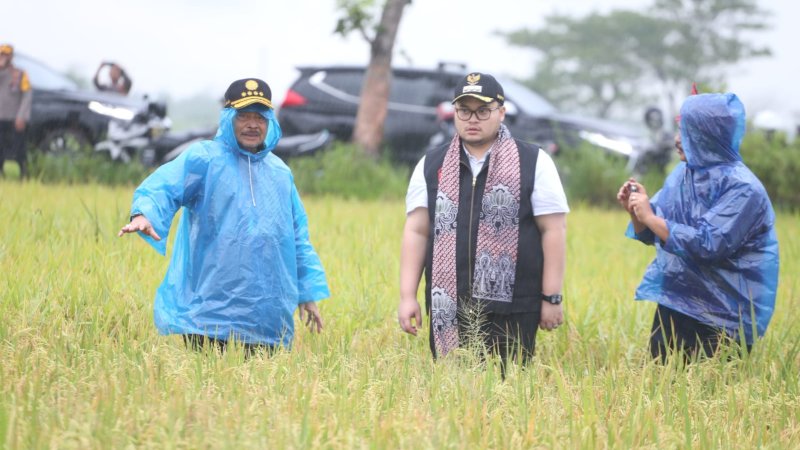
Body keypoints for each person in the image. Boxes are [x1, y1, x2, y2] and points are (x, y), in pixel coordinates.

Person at [118, 78, 329, 355]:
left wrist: (307, 292)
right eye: (244, 116)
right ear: (228, 117)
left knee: (261, 395)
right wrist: (144, 213)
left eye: (260, 117)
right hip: (208, 316)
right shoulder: (205, 159)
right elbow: (164, 186)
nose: (253, 124)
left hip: (266, 320)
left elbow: (297, 237)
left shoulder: (280, 174)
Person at [398, 72, 569, 367]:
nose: (472, 119)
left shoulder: (534, 161)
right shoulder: (431, 164)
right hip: (448, 305)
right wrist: (407, 295)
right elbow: (417, 231)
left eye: (482, 111)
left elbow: (553, 229)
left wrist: (551, 297)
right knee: (453, 392)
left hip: (515, 305)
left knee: (508, 392)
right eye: (464, 110)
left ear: (501, 112)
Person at [617, 93, 779, 362]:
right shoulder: (684, 175)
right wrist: (638, 212)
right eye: (680, 129)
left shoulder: (743, 188)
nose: (678, 139)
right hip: (676, 303)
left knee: (712, 395)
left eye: (687, 131)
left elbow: (708, 244)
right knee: (661, 393)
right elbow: (655, 231)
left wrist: (651, 218)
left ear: (709, 136)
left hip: (724, 317)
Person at [0, 44, 32, 179]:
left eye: (6, 55)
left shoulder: (20, 74)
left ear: (11, 56)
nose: (4, 57)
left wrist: (22, 116)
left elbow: (27, 95)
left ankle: (23, 175)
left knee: (19, 149)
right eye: (2, 54)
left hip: (14, 118)